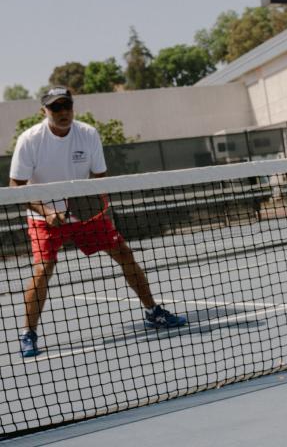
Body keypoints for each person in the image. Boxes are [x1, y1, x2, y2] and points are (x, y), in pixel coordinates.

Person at [11, 87, 187, 358]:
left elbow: (100, 178)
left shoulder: (88, 134)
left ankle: (153, 313)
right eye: (55, 108)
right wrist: (46, 211)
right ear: (44, 111)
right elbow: (16, 186)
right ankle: (28, 333)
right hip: (43, 217)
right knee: (43, 269)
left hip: (84, 213)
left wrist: (96, 208)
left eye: (66, 106)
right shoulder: (30, 139)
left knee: (125, 254)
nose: (62, 112)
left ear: (73, 107)